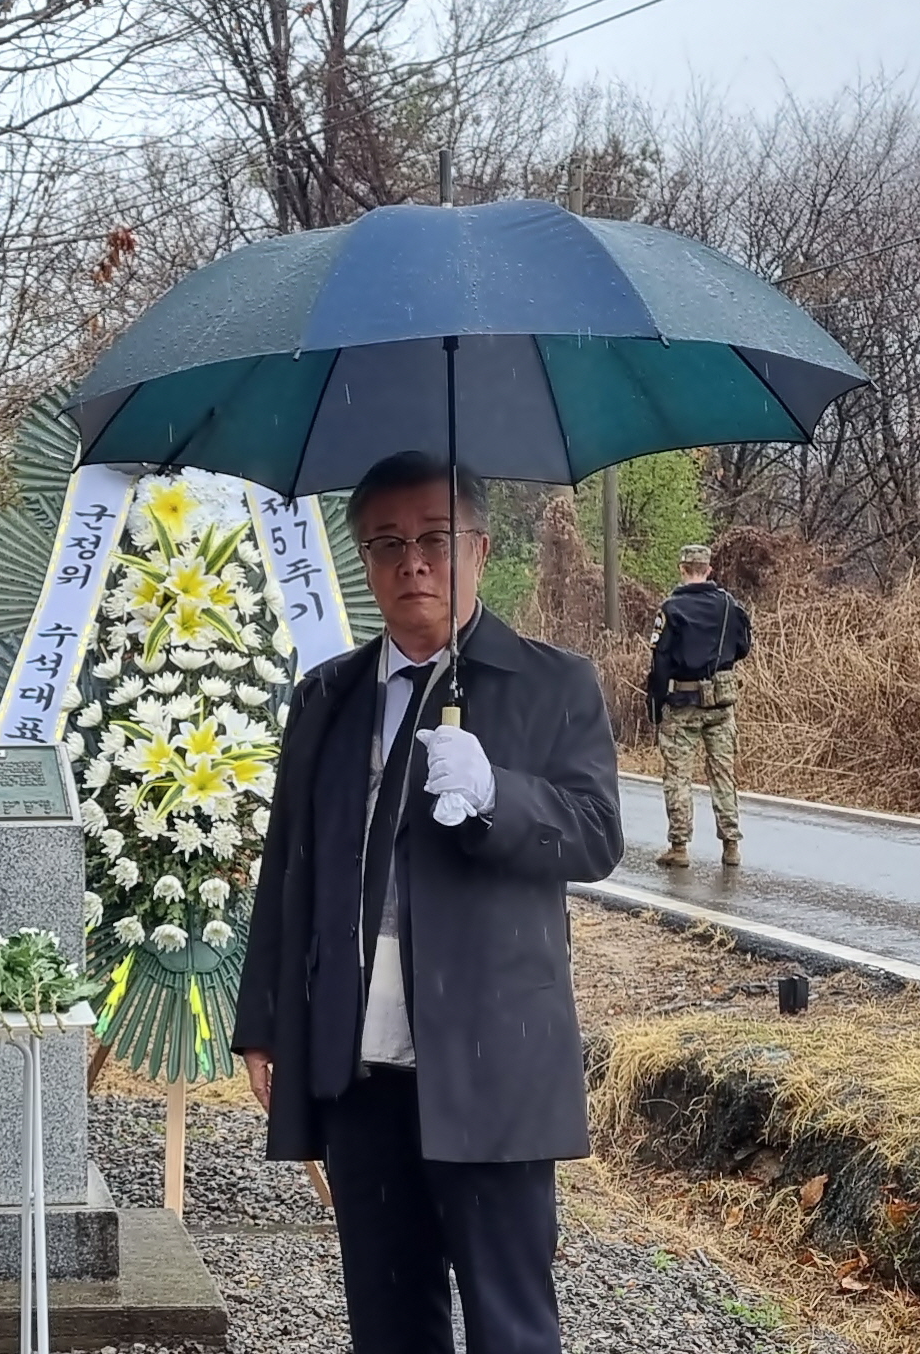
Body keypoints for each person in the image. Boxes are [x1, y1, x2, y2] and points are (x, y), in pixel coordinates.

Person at [232, 450, 623, 1354]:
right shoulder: (327, 698)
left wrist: (497, 794)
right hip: (360, 1060)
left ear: (479, 549)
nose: (414, 562)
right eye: (388, 543)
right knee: (389, 1319)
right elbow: (288, 865)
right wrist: (265, 1021)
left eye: (436, 539)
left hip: (491, 1058)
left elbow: (597, 834)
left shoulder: (551, 682)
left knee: (509, 1323)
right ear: (365, 560)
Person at [646, 542, 752, 869]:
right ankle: (731, 845)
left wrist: (656, 702)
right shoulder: (730, 606)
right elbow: (743, 647)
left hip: (682, 703)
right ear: (709, 570)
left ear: (682, 569)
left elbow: (660, 661)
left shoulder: (671, 609)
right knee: (723, 774)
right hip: (721, 703)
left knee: (678, 776)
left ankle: (679, 847)